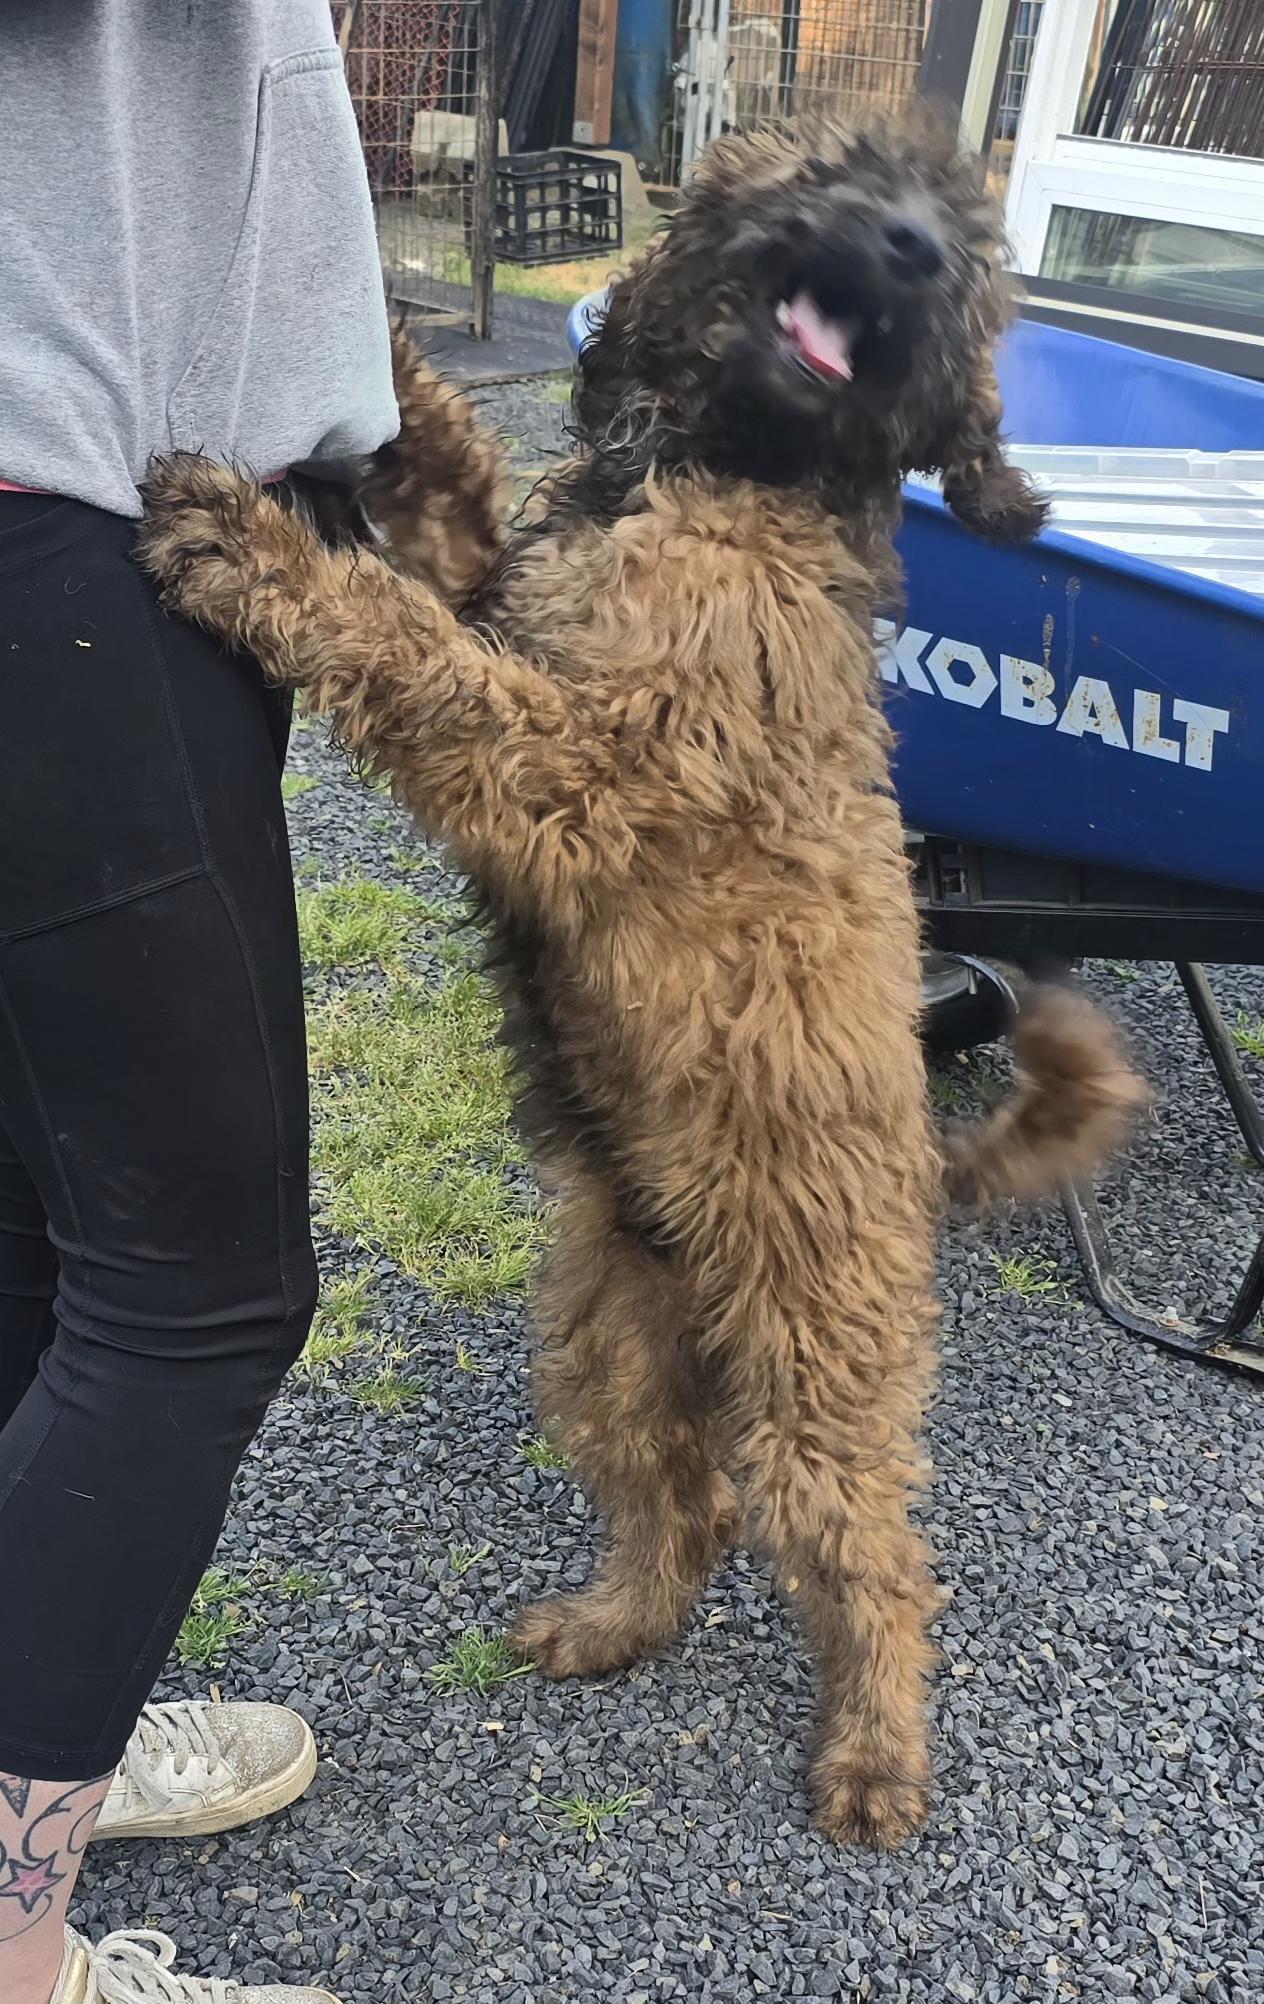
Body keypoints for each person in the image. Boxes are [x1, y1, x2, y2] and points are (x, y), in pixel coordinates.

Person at [0, 7, 398, 2000]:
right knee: (193, 1295)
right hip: (49, 487)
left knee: (46, 1237)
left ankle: (30, 1738)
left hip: (96, 473)